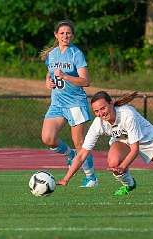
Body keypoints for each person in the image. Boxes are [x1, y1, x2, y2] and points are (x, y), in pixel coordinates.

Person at [39, 20, 98, 187]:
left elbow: (86, 81)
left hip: (75, 104)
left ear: (72, 35)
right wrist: (48, 82)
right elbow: (49, 73)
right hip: (57, 103)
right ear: (56, 35)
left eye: (68, 33)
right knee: (48, 138)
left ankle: (91, 177)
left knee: (80, 144)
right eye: (62, 33)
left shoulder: (76, 54)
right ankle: (70, 154)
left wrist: (65, 76)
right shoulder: (51, 54)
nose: (65, 36)